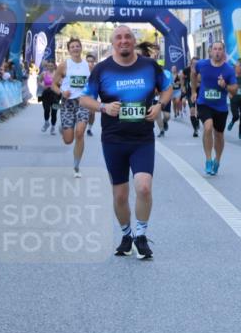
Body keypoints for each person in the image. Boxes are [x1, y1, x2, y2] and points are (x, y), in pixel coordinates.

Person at [78, 25, 172, 260]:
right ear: (113, 43)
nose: (123, 41)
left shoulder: (149, 66)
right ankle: (126, 235)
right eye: (118, 37)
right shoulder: (102, 69)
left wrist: (160, 105)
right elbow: (83, 98)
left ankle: (141, 235)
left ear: (133, 41)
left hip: (142, 138)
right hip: (113, 139)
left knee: (143, 186)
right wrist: (103, 107)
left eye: (128, 37)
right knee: (120, 195)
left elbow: (168, 88)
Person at [191, 41, 238, 175]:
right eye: (215, 49)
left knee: (219, 135)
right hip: (204, 103)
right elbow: (193, 73)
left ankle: (217, 160)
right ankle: (208, 159)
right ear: (211, 51)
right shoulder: (202, 64)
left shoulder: (228, 69)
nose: (217, 52)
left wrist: (225, 86)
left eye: (220, 49)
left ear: (223, 52)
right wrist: (194, 91)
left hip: (220, 107)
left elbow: (234, 90)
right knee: (207, 127)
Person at [51, 38, 91, 177]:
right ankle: (63, 129)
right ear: (69, 50)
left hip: (83, 102)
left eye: (77, 46)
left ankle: (76, 166)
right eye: (72, 46)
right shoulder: (63, 65)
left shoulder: (88, 66)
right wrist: (62, 92)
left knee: (80, 132)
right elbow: (53, 85)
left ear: (81, 48)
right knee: (68, 140)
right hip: (68, 103)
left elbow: (94, 84)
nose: (75, 48)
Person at [227, 61, 241, 139]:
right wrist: (229, 93)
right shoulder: (231, 77)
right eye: (236, 66)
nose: (237, 68)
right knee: (236, 116)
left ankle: (240, 133)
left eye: (239, 66)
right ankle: (233, 121)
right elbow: (226, 86)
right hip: (234, 99)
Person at [38, 62, 59, 135]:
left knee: (54, 112)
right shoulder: (44, 73)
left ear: (54, 66)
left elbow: (62, 83)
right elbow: (39, 81)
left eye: (52, 66)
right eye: (49, 66)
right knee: (46, 109)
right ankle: (46, 122)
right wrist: (43, 85)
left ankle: (53, 128)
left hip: (56, 95)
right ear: (47, 66)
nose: (50, 67)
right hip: (46, 94)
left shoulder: (57, 74)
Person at [183, 59, 200, 138]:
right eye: (193, 63)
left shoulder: (201, 70)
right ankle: (195, 130)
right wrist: (183, 86)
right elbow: (181, 75)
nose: (194, 65)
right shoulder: (187, 70)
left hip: (200, 93)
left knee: (200, 112)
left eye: (196, 64)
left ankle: (198, 120)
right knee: (192, 111)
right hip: (190, 93)